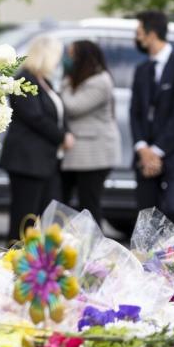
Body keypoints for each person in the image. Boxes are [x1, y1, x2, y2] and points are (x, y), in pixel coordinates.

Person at [0, 36, 74, 243]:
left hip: (47, 161)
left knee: (49, 216)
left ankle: (39, 260)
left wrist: (65, 131)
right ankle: (15, 258)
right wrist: (62, 136)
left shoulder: (46, 81)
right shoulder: (24, 80)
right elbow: (35, 117)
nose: (59, 62)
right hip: (27, 161)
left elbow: (57, 113)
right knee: (24, 217)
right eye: (57, 57)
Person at [129, 10, 174, 230]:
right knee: (146, 215)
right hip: (145, 151)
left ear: (152, 34)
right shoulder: (141, 70)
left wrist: (156, 152)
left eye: (139, 32)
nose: (137, 37)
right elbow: (135, 112)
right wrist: (143, 149)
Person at [60, 40, 121, 230]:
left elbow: (73, 106)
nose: (67, 60)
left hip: (96, 154)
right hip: (79, 154)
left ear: (83, 57)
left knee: (89, 205)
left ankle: (95, 250)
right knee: (66, 203)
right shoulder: (81, 79)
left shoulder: (100, 81)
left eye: (71, 55)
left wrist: (64, 83)